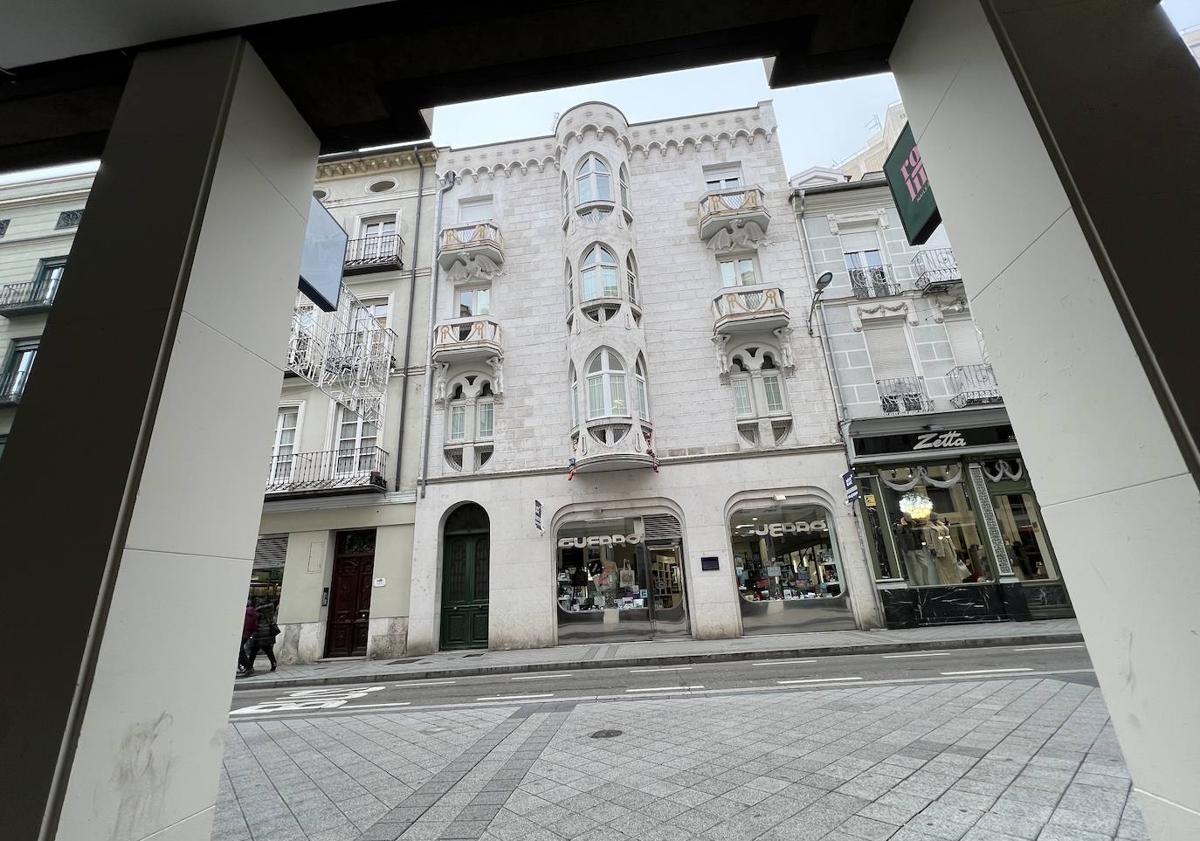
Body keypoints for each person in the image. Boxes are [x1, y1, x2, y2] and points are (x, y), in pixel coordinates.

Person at [245, 599, 279, 672]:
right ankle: (273, 663)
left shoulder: (258, 611)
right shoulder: (270, 610)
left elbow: (255, 620)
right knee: (268, 649)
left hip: (259, 632)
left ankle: (249, 666)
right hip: (267, 631)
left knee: (254, 650)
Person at [237, 599, 258, 676]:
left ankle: (248, 667)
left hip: (241, 634)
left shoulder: (244, 612)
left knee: (240, 651)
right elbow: (254, 626)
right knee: (240, 651)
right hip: (247, 634)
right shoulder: (254, 613)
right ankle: (245, 666)